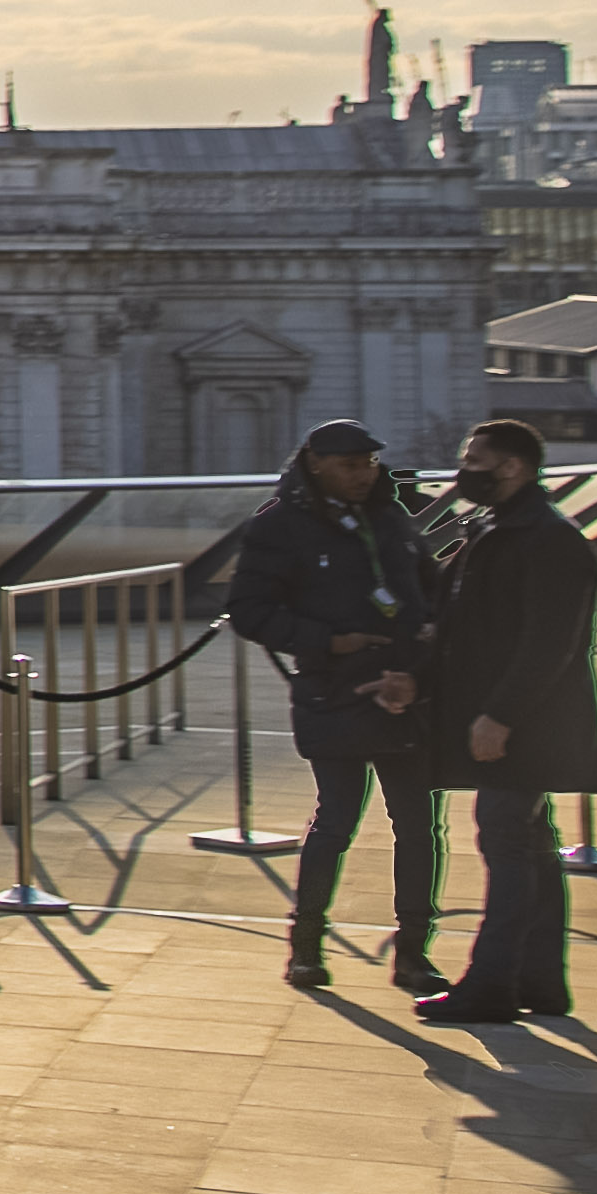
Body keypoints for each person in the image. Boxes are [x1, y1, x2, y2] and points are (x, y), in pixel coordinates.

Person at [228, 417, 448, 995]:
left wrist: (420, 652)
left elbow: (431, 592)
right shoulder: (280, 527)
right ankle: (305, 948)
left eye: (370, 464)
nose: (363, 475)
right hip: (336, 691)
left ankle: (413, 953)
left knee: (419, 826)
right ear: (317, 463)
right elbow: (250, 610)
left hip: (404, 693)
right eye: (350, 465)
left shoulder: (391, 517)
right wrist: (329, 641)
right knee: (336, 821)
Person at [420, 418, 597, 1031]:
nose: (463, 470)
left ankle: (492, 985)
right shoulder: (498, 529)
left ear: (513, 467)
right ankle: (541, 982)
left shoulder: (549, 539)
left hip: (524, 726)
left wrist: (498, 717)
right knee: (529, 845)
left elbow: (548, 644)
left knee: (505, 841)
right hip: (519, 722)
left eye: (475, 459)